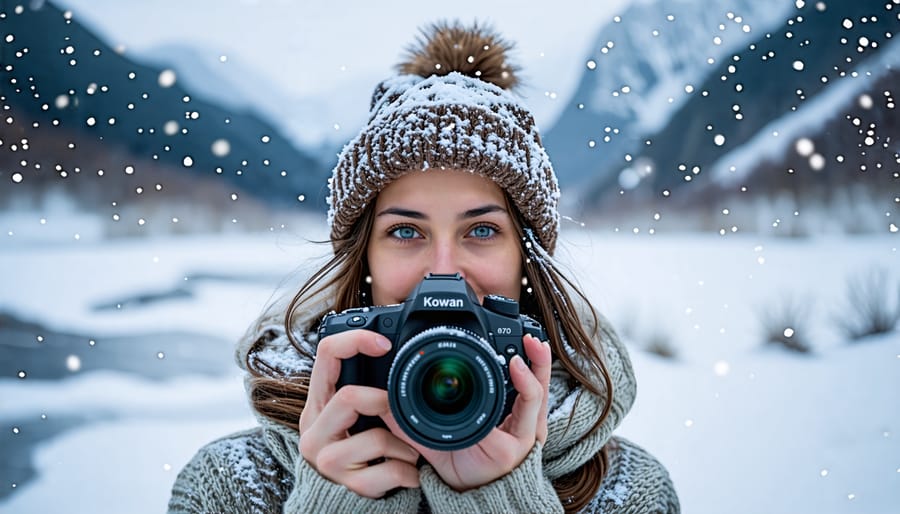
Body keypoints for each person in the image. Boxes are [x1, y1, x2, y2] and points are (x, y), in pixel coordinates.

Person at [168, 21, 679, 513]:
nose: (444, 272)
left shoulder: (629, 493)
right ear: (362, 256)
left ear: (525, 258)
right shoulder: (229, 487)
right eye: (405, 232)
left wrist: (506, 502)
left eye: (481, 230)